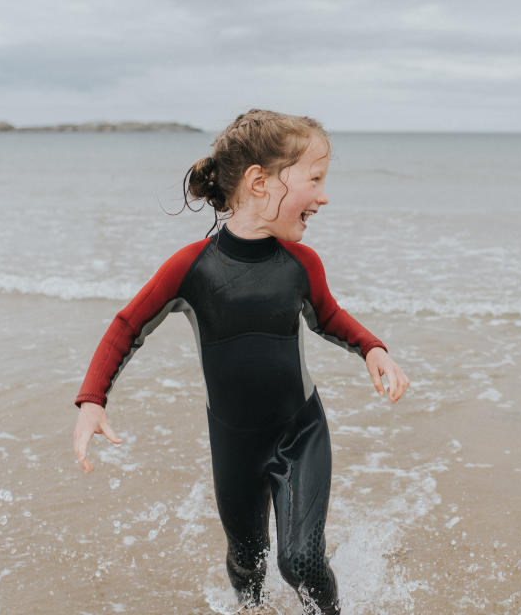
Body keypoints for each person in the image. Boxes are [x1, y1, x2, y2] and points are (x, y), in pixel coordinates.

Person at [72, 109, 410, 614]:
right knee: (248, 561)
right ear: (259, 182)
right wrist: (92, 401)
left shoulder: (302, 264)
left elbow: (329, 317)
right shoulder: (192, 268)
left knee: (300, 562)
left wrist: (372, 347)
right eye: (314, 180)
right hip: (233, 443)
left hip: (300, 433)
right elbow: (127, 326)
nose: (323, 196)